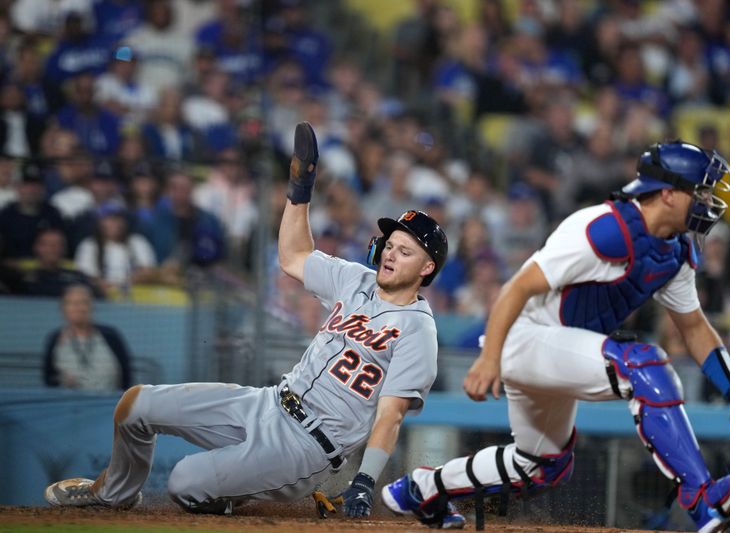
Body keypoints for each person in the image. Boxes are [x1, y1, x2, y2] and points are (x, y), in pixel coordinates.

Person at [43, 122, 463, 526]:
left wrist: (365, 480)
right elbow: (293, 256)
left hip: (309, 447)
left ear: (427, 268)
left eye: (405, 251)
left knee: (184, 483)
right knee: (136, 405)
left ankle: (245, 497)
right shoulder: (356, 279)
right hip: (269, 402)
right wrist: (300, 192)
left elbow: (390, 415)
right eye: (390, 244)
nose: (390, 254)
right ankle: (113, 494)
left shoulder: (418, 329)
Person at [382, 140, 730, 532]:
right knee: (643, 362)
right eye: (698, 191)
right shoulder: (602, 228)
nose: (707, 202)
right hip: (523, 338)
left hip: (559, 350)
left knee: (541, 464)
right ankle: (702, 499)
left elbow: (694, 328)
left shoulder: (674, 251)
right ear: (667, 194)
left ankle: (420, 489)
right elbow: (519, 286)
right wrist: (490, 357)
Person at [43, 284, 133, 392]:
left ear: (92, 307)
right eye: (72, 303)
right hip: (70, 403)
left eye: (84, 302)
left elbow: (126, 372)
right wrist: (60, 381)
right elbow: (48, 378)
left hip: (109, 402)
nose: (79, 308)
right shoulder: (55, 339)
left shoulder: (111, 336)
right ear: (63, 309)